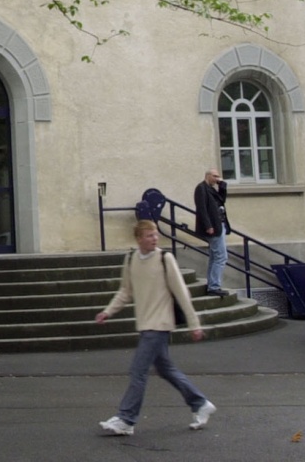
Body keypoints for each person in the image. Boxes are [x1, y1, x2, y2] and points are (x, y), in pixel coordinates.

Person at [94, 220, 216, 436]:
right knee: (166, 369)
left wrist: (194, 324)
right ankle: (200, 403)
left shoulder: (164, 259)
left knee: (138, 371)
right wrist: (108, 311)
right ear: (139, 238)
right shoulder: (131, 259)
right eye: (150, 235)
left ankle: (126, 418)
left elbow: (181, 293)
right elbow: (125, 291)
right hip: (145, 323)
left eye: (156, 235)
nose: (155, 239)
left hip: (159, 324)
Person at [194, 168, 230, 296]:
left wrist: (222, 186)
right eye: (215, 176)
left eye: (218, 176)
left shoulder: (211, 189)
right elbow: (201, 209)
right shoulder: (201, 188)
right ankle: (214, 286)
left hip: (220, 225)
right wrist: (208, 226)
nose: (217, 179)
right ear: (207, 176)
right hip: (213, 227)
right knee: (221, 256)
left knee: (215, 257)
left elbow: (221, 200)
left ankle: (212, 284)